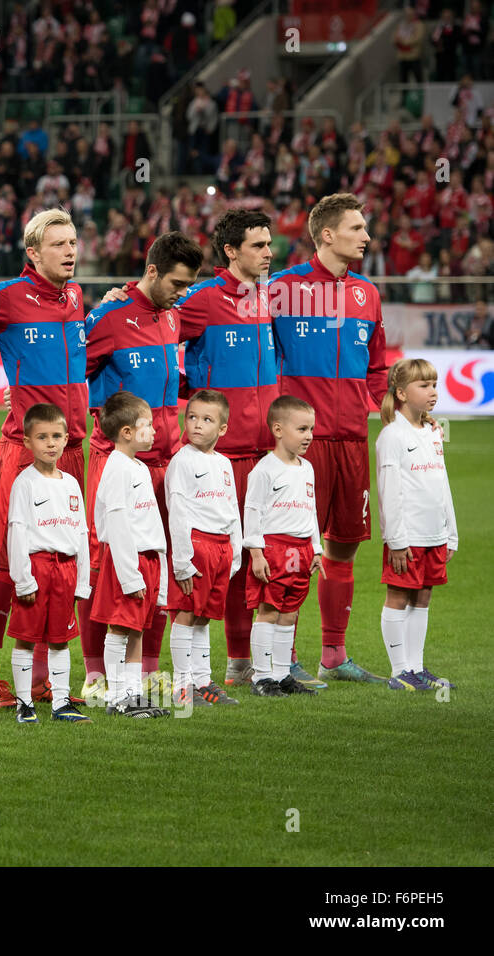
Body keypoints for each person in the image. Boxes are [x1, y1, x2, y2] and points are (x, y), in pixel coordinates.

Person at [171, 210, 307, 687]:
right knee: (226, 559)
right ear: (230, 251)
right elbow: (158, 332)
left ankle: (272, 661)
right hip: (223, 456)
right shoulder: (203, 299)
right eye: (258, 245)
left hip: (269, 453)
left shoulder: (272, 299)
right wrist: (186, 389)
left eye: (270, 244)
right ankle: (232, 663)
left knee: (269, 553)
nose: (269, 253)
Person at [268, 193, 389, 684]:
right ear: (326, 235)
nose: (365, 236)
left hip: (352, 441)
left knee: (343, 546)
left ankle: (334, 656)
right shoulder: (283, 289)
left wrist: (391, 410)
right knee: (296, 548)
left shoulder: (368, 293)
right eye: (356, 228)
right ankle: (285, 656)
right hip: (303, 444)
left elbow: (378, 366)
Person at [0, 208, 87, 710]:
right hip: (24, 449)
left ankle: (40, 679)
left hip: (74, 448)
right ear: (33, 252)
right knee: (8, 562)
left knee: (59, 560)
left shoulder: (77, 298)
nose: (70, 250)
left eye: (74, 241)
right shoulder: (6, 298)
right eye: (58, 243)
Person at [83, 232, 203, 702]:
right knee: (109, 565)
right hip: (116, 457)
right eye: (176, 282)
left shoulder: (173, 316)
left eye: (189, 284)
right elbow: (74, 371)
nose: (182, 292)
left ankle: (147, 674)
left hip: (163, 460)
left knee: (155, 566)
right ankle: (96, 676)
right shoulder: (110, 316)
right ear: (151, 270)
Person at [5, 402, 91, 723]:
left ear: (67, 439)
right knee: (26, 637)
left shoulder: (70, 484)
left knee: (61, 639)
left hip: (66, 570)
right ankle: (24, 703)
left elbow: (81, 532)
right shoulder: (24, 483)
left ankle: (61, 702)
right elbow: (16, 532)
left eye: (56, 436)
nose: (51, 443)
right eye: (42, 437)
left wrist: (82, 580)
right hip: (37, 568)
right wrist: (23, 579)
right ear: (28, 442)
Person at [375, 359, 458, 691]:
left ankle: (416, 667)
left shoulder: (435, 431)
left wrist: (450, 531)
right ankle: (399, 672)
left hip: (434, 533)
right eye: (423, 386)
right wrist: (395, 539)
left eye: (434, 385)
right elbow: (388, 491)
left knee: (423, 598)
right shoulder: (392, 436)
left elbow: (441, 483)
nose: (432, 392)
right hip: (406, 537)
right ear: (401, 393)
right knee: (398, 596)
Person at [89, 390, 170, 718]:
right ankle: (116, 698)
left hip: (146, 559)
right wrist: (128, 573)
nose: (154, 431)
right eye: (147, 425)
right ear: (126, 432)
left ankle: (134, 694)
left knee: (137, 629)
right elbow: (114, 523)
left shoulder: (136, 467)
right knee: (119, 628)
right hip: (129, 561)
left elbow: (147, 521)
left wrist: (158, 571)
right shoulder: (117, 468)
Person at [164, 389, 242, 707]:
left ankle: (203, 680)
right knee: (185, 614)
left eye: (206, 419)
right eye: (192, 417)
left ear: (222, 428)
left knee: (204, 616)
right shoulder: (181, 462)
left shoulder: (223, 464)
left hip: (221, 549)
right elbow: (178, 512)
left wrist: (234, 553)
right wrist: (182, 560)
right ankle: (182, 687)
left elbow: (231, 509)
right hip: (196, 547)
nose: (196, 424)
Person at [242, 396, 322, 697]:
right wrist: (256, 552)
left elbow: (311, 509)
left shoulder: (307, 468)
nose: (309, 436)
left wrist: (316, 548)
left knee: (290, 613)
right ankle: (261, 677)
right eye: (302, 429)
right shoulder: (264, 469)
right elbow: (252, 510)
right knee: (269, 611)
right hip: (274, 549)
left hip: (301, 551)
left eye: (311, 429)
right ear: (278, 429)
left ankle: (281, 674)